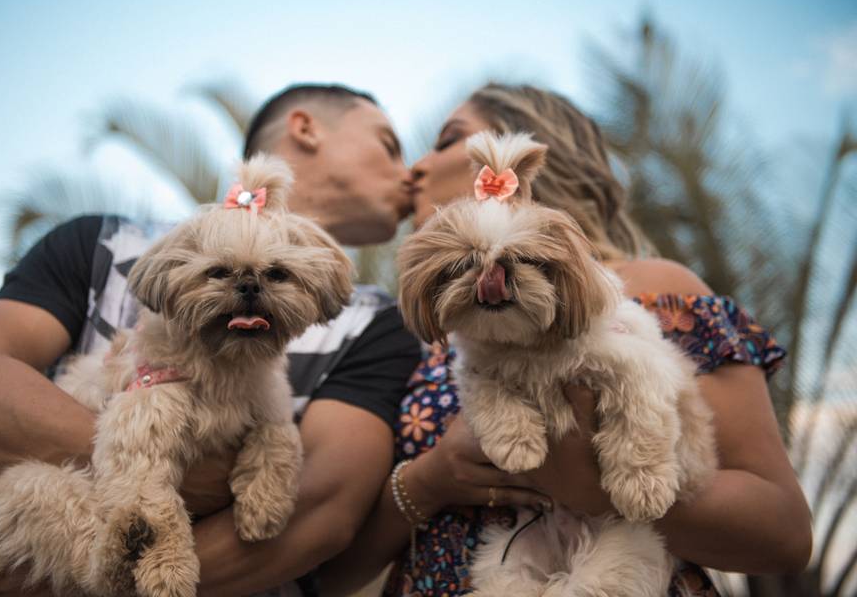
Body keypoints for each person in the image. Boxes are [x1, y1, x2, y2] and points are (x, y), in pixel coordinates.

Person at [0, 84, 421, 597]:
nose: (412, 172)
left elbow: (322, 513)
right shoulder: (97, 244)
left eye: (279, 275)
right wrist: (151, 464)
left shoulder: (380, 325)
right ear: (306, 128)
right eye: (389, 145)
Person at [319, 83, 812, 596]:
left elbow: (784, 534)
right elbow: (330, 574)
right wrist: (427, 480)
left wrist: (587, 485)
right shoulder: (406, 341)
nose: (416, 167)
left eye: (448, 139)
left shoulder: (661, 290)